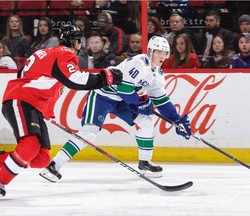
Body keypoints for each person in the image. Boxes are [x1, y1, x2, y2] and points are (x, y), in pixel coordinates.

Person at [39, 35, 192, 183]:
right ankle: (53, 166)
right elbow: (124, 90)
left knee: (147, 121)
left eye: (165, 53)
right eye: (158, 51)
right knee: (89, 133)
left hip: (121, 101)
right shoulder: (138, 63)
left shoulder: (158, 75)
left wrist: (176, 119)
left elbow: (162, 101)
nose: (162, 56)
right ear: (150, 51)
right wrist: (142, 103)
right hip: (102, 96)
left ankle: (144, 162)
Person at [0, 25, 123, 197]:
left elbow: (38, 80)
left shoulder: (52, 55)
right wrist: (106, 78)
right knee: (30, 146)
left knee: (40, 158)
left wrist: (46, 111)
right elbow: (76, 80)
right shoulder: (64, 54)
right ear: (76, 42)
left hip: (30, 104)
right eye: (80, 41)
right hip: (21, 100)